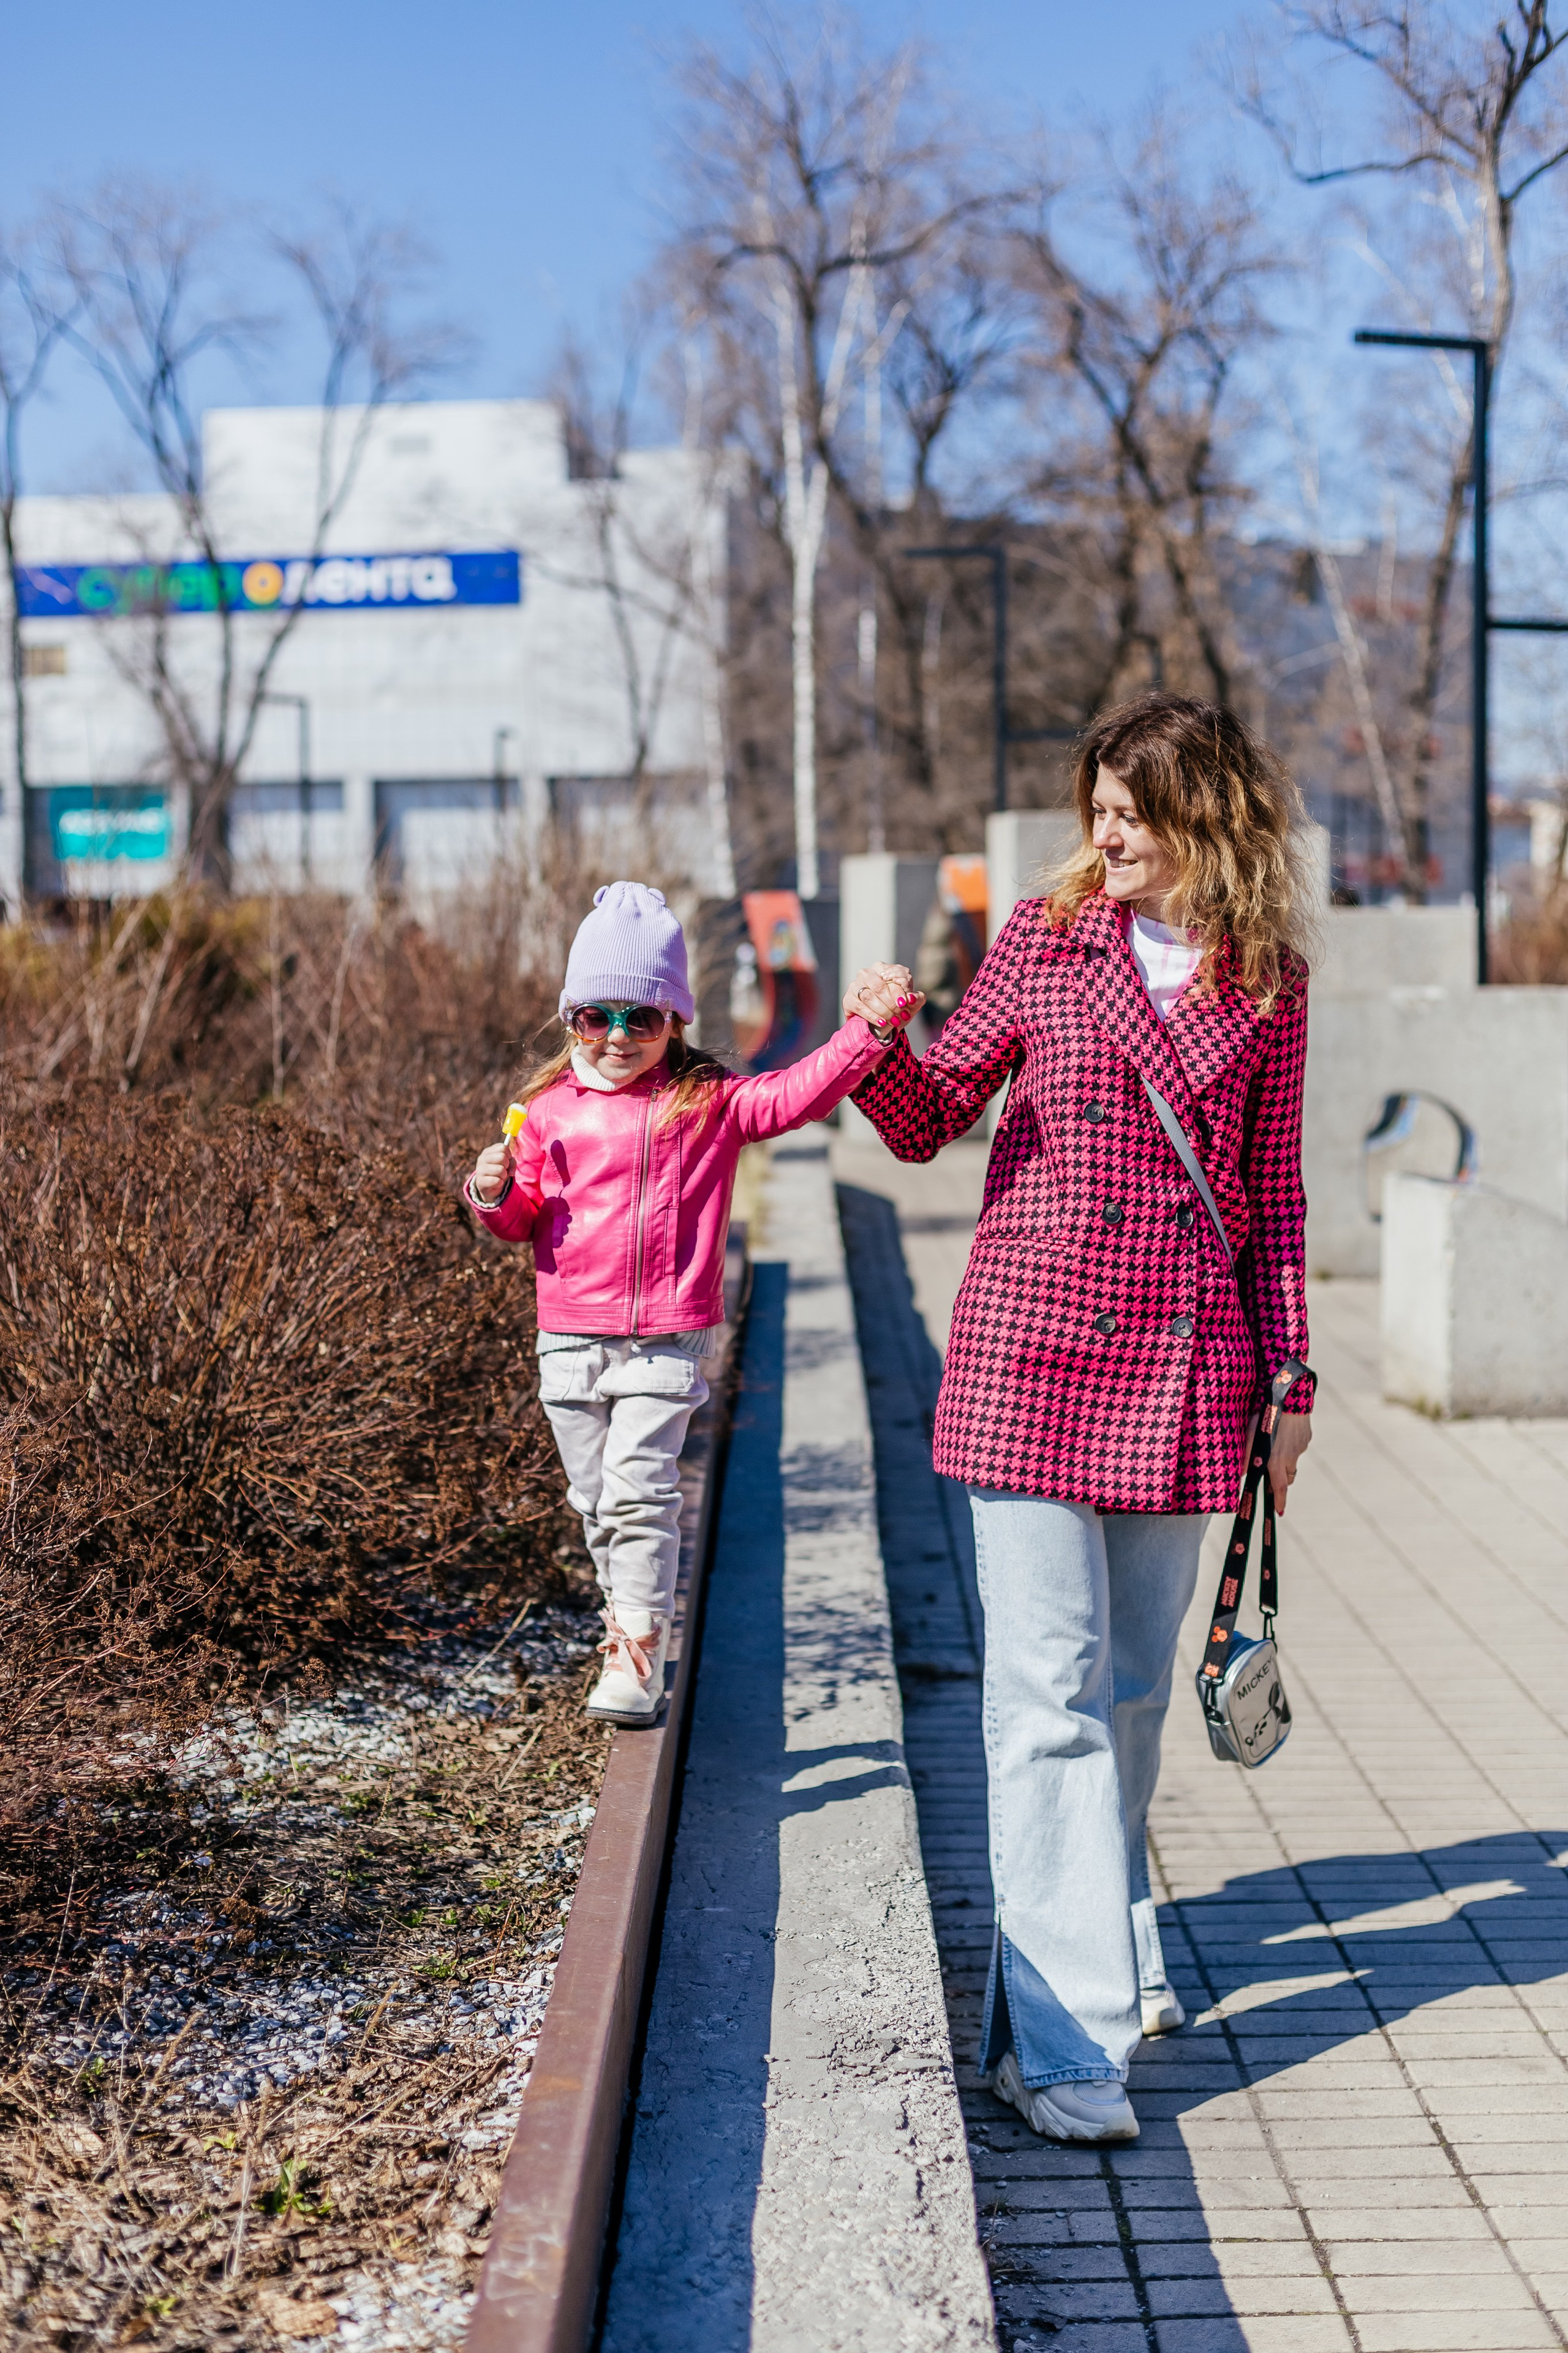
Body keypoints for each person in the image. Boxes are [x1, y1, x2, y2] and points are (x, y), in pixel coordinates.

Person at [844, 693, 1317, 2145]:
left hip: (1189, 1374)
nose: (1103, 832)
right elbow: (930, 1120)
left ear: (1204, 819)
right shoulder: (1043, 948)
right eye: (1096, 807)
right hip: (1031, 1361)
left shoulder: (1266, 981)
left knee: (1121, 1697)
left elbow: (1275, 1194)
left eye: (1132, 810)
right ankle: (1062, 2048)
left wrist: (1288, 1383)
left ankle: (1098, 1943)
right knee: (1042, 1697)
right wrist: (874, 1044)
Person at [467, 880, 919, 1725]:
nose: (615, 1037)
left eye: (640, 1018)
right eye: (594, 1016)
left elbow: (796, 1095)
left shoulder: (704, 1103)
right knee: (598, 1505)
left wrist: (867, 1035)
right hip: (568, 1341)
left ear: (675, 1020)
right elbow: (518, 1219)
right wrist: (489, 1192)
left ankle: (637, 1656)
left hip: (666, 1339)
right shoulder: (542, 1113)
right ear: (570, 1017)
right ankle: (629, 1625)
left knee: (639, 1493)